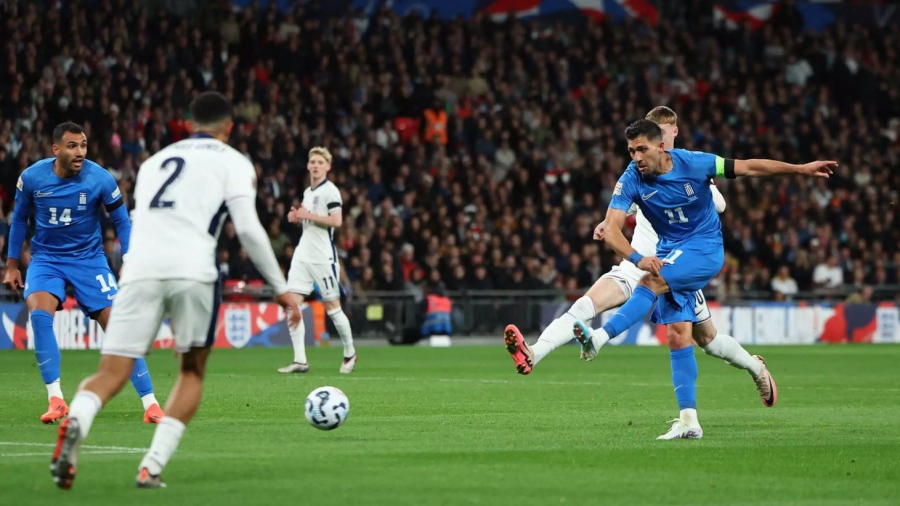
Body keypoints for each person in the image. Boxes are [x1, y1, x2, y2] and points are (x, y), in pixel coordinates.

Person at [49, 92, 303, 489]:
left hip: (139, 270)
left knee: (111, 370)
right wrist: (280, 286)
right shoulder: (234, 162)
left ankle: (78, 419)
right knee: (190, 370)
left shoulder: (153, 163)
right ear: (229, 127)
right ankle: (151, 465)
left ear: (188, 125)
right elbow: (249, 229)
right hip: (193, 270)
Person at [505, 107, 777, 418]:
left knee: (709, 342)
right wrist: (610, 224)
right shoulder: (637, 173)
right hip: (637, 263)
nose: (644, 149)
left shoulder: (692, 168)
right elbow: (621, 210)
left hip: (676, 265)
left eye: (659, 134)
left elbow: (719, 203)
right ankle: (534, 353)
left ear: (670, 135)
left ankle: (754, 367)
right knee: (585, 305)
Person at [575, 119, 833, 439]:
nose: (636, 157)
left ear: (661, 146)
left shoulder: (695, 163)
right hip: (670, 254)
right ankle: (708, 406)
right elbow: (612, 227)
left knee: (649, 283)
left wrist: (800, 169)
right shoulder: (631, 177)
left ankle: (599, 338)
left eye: (641, 149)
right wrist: (637, 256)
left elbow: (750, 167)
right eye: (631, 151)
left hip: (704, 250)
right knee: (695, 337)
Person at [3, 122, 163, 425]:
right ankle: (56, 400)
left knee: (118, 327)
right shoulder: (32, 178)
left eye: (84, 145)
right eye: (73, 146)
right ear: (56, 150)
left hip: (89, 260)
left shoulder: (100, 178)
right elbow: (20, 219)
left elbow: (122, 221)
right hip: (47, 259)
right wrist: (11, 264)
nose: (80, 152)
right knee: (39, 313)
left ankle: (151, 404)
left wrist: (128, 258)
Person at [278, 147, 357, 375]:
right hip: (303, 254)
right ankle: (300, 360)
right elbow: (309, 222)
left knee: (333, 308)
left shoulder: (331, 192)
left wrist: (306, 216)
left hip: (323, 257)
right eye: (312, 161)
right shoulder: (308, 192)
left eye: (320, 162)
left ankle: (350, 352)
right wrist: (297, 218)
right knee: (292, 304)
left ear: (328, 166)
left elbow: (337, 220)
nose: (315, 165)